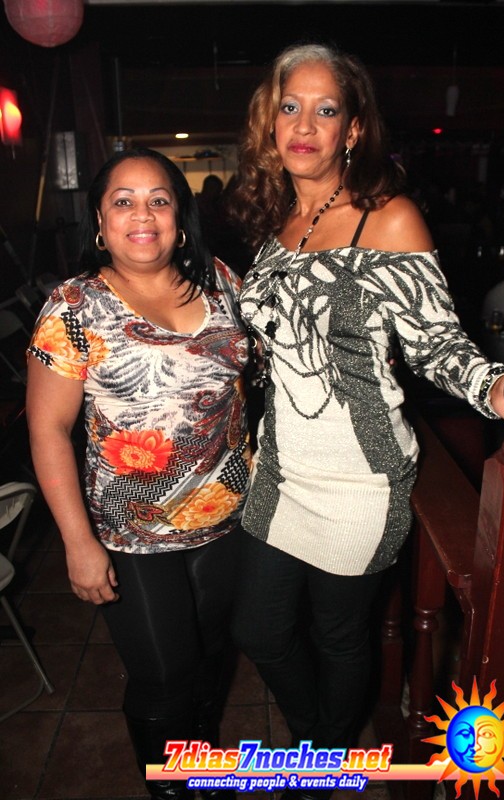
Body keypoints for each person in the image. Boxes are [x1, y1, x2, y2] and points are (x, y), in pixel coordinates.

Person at [227, 42, 504, 800]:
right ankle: (318, 741)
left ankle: (320, 757)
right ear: (270, 123)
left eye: (325, 110)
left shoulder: (389, 219)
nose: (304, 125)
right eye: (290, 107)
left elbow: (441, 346)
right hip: (281, 470)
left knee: (339, 635)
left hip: (361, 479)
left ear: (353, 129)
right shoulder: (277, 221)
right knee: (257, 629)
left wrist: (503, 390)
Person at [26, 147, 251, 800]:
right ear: (100, 221)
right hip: (130, 532)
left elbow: (260, 373)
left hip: (228, 518)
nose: (142, 214)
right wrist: (78, 544)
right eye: (123, 201)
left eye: (158, 199)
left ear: (180, 217)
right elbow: (47, 430)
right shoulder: (74, 307)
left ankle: (202, 759)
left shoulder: (221, 281)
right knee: (163, 673)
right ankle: (171, 787)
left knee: (211, 656)